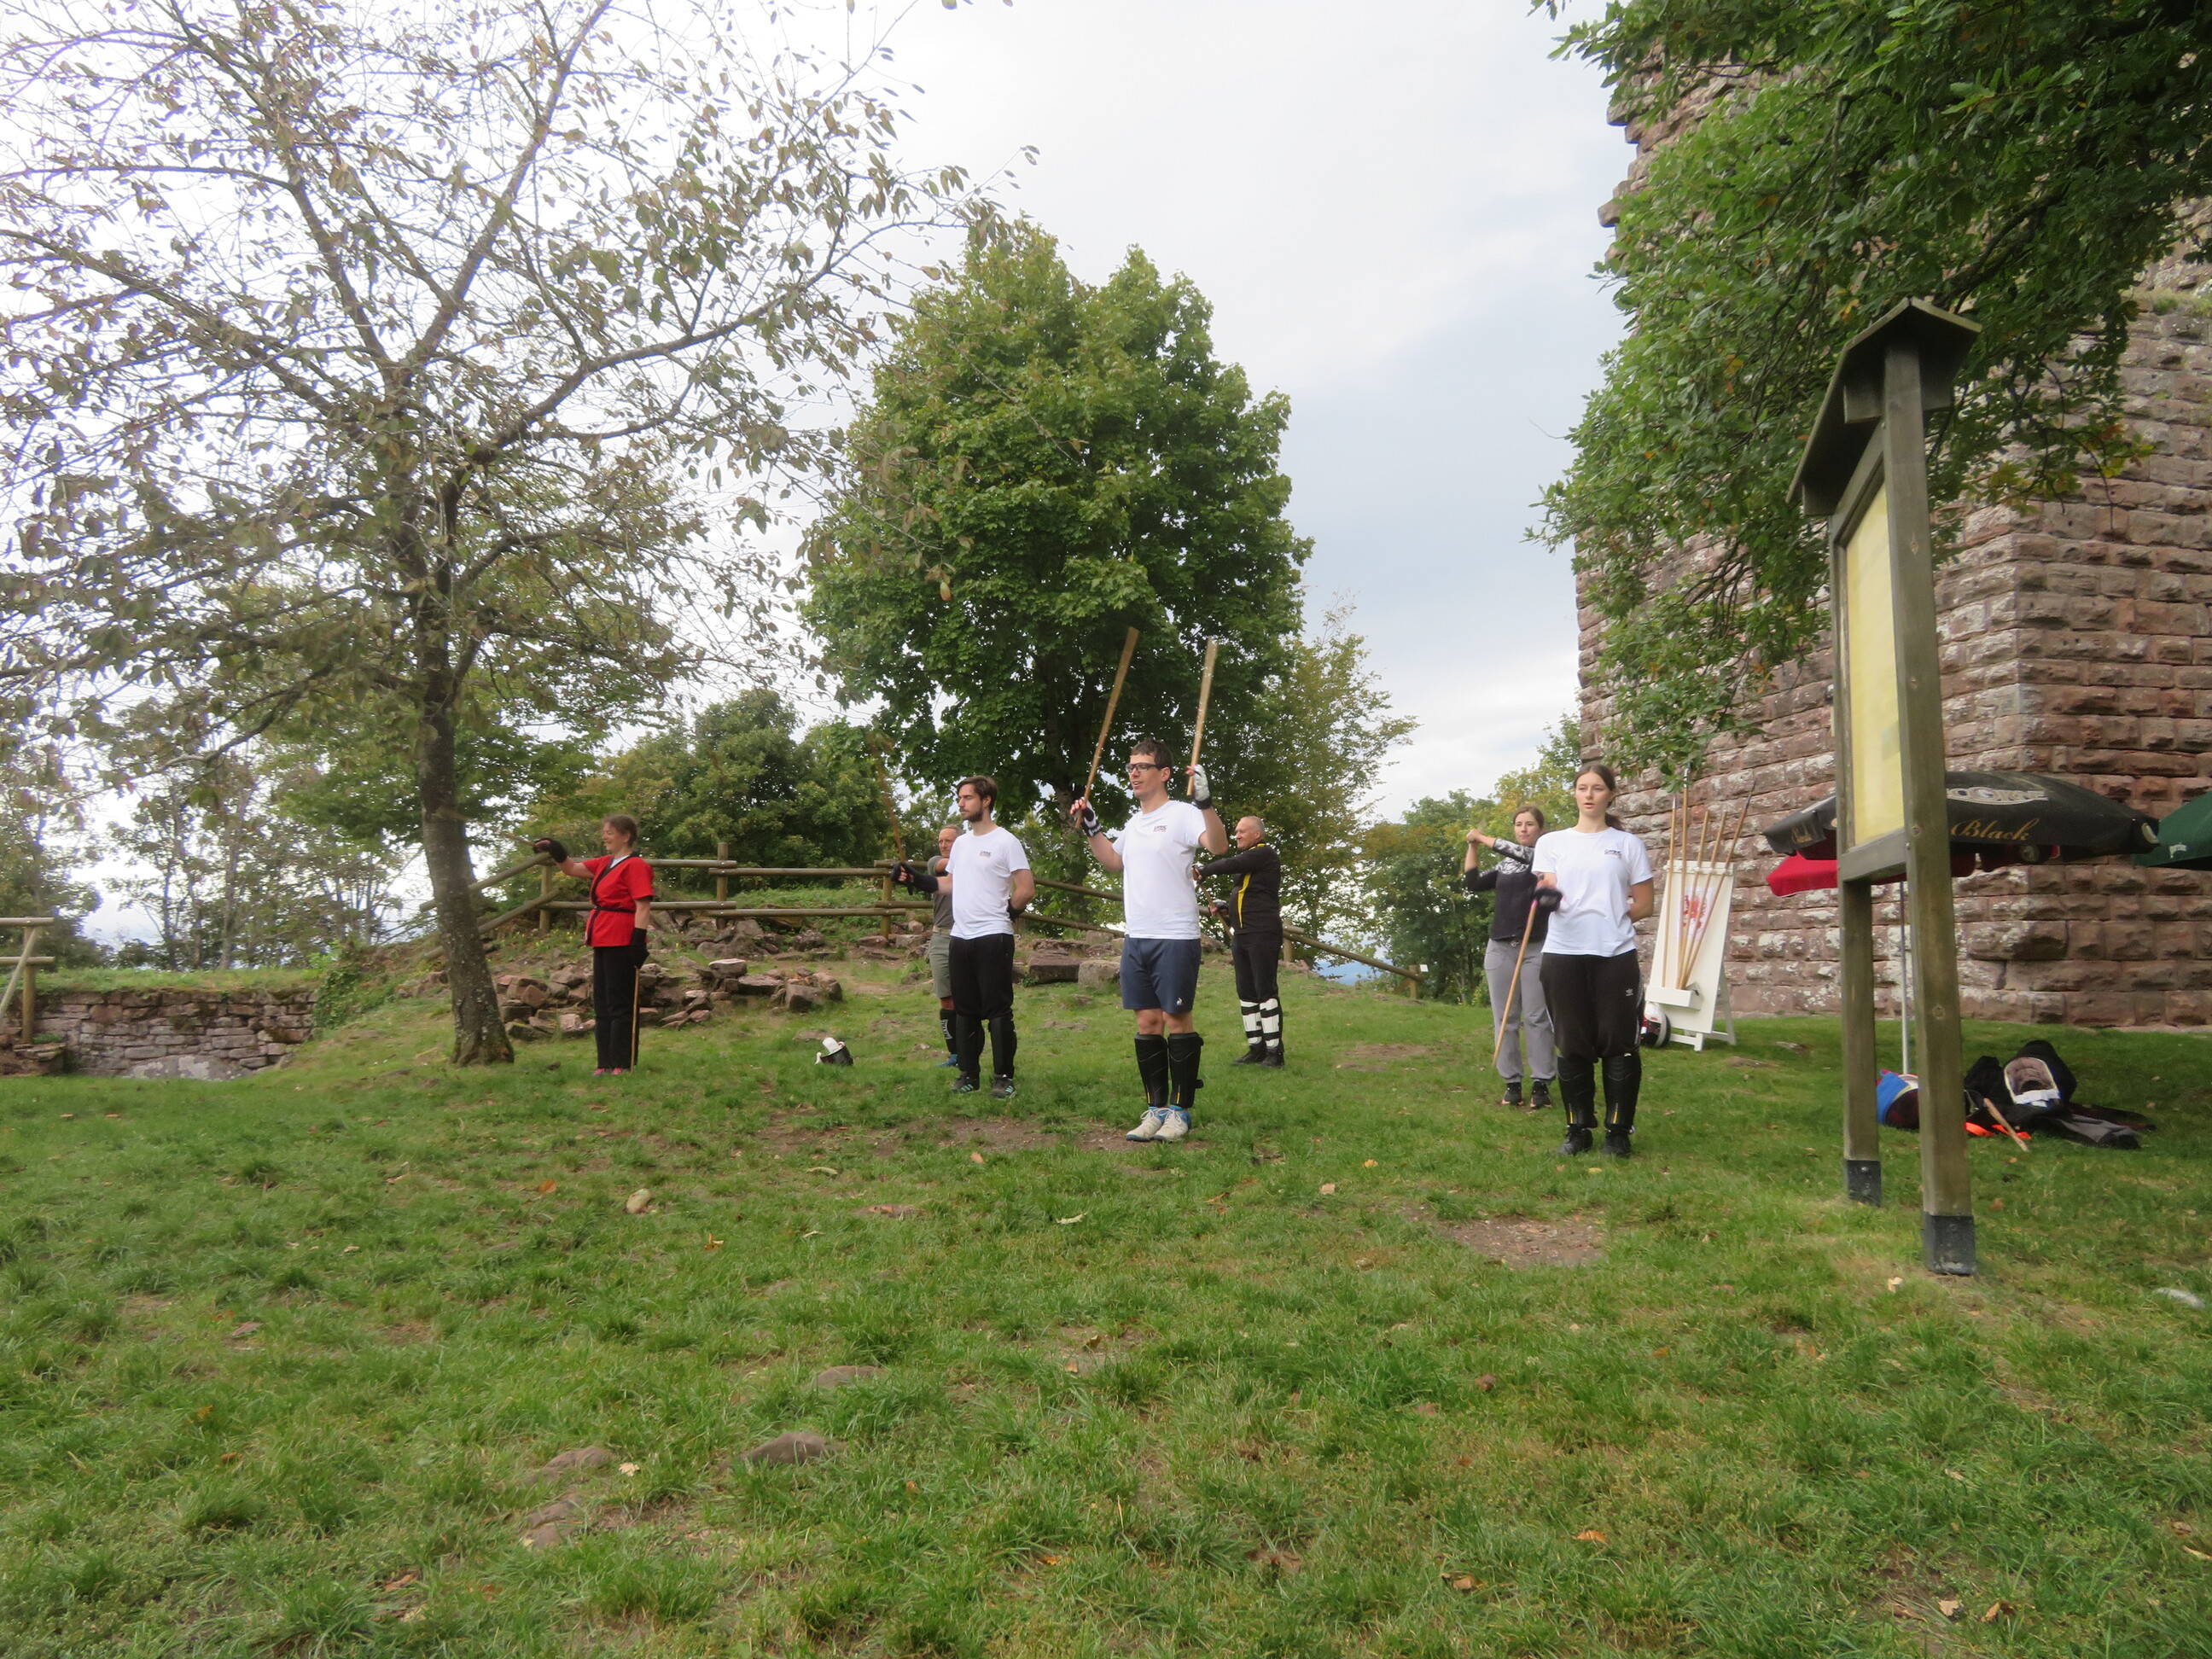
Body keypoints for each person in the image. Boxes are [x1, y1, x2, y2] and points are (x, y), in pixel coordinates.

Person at [1070, 737, 1229, 1142]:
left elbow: (1219, 846)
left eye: (1142, 766)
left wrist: (1206, 804)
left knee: (1175, 1019)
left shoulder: (1183, 814)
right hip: (1137, 936)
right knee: (1147, 1021)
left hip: (1175, 936)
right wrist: (1092, 827)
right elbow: (1113, 861)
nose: (1134, 773)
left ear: (1165, 773)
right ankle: (1156, 1109)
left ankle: (1180, 1111)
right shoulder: (1135, 822)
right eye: (1131, 767)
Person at [1533, 764, 1656, 1157]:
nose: (1589, 795)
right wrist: (1546, 897)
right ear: (1574, 793)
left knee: (1620, 1044)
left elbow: (1645, 904)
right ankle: (1577, 1130)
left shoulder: (1628, 844)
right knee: (1572, 1043)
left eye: (1598, 788)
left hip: (1615, 954)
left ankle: (1618, 1133)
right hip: (1562, 953)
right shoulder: (1551, 842)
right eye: (1582, 788)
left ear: (1611, 795)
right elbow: (1548, 889)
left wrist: (1611, 920)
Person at [893, 777, 1033, 1097]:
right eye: (960, 798)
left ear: (986, 800)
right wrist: (915, 879)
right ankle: (968, 1075)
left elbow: (1026, 889)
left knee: (998, 1010)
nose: (961, 803)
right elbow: (949, 884)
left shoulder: (1006, 841)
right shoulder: (962, 844)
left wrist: (1007, 915)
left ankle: (1004, 1078)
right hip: (960, 937)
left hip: (994, 937)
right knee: (965, 1010)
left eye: (967, 797)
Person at [534, 816, 655, 1076]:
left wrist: (638, 940)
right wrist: (556, 850)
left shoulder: (636, 866)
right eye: (604, 832)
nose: (604, 837)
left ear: (626, 836)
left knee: (620, 1002)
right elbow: (572, 869)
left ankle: (622, 1062)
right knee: (602, 1003)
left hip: (622, 937)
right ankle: (605, 1063)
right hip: (601, 935)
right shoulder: (604, 863)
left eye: (609, 832)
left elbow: (643, 905)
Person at [1464, 807, 1555, 1110]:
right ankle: (1512, 1084)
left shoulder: (1542, 859)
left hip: (1535, 947)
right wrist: (1472, 847)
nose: (1523, 829)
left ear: (1540, 829)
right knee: (1505, 1019)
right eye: (1518, 824)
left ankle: (1542, 1084)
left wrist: (1481, 836)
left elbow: (1515, 851)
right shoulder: (1506, 865)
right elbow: (1473, 883)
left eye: (1529, 824)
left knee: (1537, 1017)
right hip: (1500, 947)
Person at [1196, 814, 1284, 1066]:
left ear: (1257, 834)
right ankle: (1256, 1048)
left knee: (1265, 991)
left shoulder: (1264, 853)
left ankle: (1274, 1053)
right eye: (1236, 831)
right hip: (1243, 934)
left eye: (1242, 831)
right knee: (1246, 992)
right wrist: (1227, 907)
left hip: (1262, 933)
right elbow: (1248, 894)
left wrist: (1204, 870)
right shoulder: (1251, 863)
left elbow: (1232, 863)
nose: (1237, 835)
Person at [925, 821, 959, 1068]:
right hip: (941, 938)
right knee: (946, 999)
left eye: (949, 840)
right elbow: (942, 866)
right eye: (940, 841)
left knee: (968, 999)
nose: (944, 845)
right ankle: (955, 1054)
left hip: (967, 937)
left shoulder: (974, 865)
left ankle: (970, 1052)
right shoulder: (936, 862)